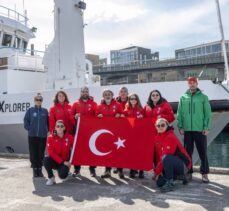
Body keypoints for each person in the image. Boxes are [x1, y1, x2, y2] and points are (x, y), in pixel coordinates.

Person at [177, 77, 212, 183]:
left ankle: (204, 173)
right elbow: (179, 113)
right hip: (187, 130)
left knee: (203, 152)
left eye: (194, 83)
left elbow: (207, 114)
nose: (192, 85)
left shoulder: (203, 97)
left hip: (200, 129)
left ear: (197, 84)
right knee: (187, 153)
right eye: (190, 83)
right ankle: (189, 172)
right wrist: (181, 126)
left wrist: (206, 127)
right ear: (188, 84)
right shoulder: (183, 97)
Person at [153, 118, 191, 193]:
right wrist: (158, 172)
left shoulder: (170, 137)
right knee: (159, 183)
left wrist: (156, 171)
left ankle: (170, 184)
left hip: (183, 165)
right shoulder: (157, 138)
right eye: (158, 125)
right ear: (156, 127)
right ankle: (179, 177)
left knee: (166, 157)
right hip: (170, 163)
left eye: (163, 125)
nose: (160, 127)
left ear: (167, 125)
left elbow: (165, 156)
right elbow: (159, 156)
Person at [71, 86, 98, 177]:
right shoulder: (75, 103)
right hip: (78, 130)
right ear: (81, 93)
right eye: (83, 91)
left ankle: (92, 169)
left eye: (86, 91)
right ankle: (77, 169)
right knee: (78, 149)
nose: (85, 93)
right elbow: (70, 116)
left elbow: (97, 116)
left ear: (88, 92)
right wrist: (74, 116)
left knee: (91, 149)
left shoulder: (94, 104)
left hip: (90, 131)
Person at [96, 89, 123, 178]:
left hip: (117, 132)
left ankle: (120, 170)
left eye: (109, 94)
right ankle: (107, 171)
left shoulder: (118, 105)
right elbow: (95, 117)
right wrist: (98, 116)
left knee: (118, 151)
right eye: (105, 94)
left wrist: (119, 114)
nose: (107, 96)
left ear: (112, 95)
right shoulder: (99, 106)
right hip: (105, 133)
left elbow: (123, 114)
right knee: (107, 151)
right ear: (103, 96)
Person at [24, 93, 48, 177]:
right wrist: (29, 128)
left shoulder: (45, 111)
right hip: (32, 135)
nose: (38, 101)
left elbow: (48, 122)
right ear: (34, 101)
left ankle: (39, 169)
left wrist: (46, 130)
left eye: (40, 100)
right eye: (37, 100)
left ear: (42, 101)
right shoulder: (30, 110)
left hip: (42, 136)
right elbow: (26, 120)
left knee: (41, 153)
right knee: (33, 153)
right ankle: (34, 169)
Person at [44, 120, 74, 186]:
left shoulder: (70, 137)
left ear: (64, 128)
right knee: (46, 159)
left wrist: (70, 162)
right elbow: (51, 152)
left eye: (61, 126)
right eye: (58, 126)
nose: (59, 128)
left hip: (64, 162)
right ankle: (51, 178)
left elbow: (75, 149)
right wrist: (62, 162)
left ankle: (65, 171)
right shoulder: (50, 138)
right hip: (56, 161)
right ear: (55, 128)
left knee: (63, 176)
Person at [122, 93, 145, 179]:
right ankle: (132, 169)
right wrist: (121, 117)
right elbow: (122, 122)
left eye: (135, 98)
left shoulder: (141, 110)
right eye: (131, 99)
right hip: (130, 135)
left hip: (139, 134)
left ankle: (141, 170)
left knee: (140, 152)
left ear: (137, 99)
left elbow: (146, 121)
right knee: (131, 152)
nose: (133, 100)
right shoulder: (126, 110)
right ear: (129, 100)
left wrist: (142, 118)